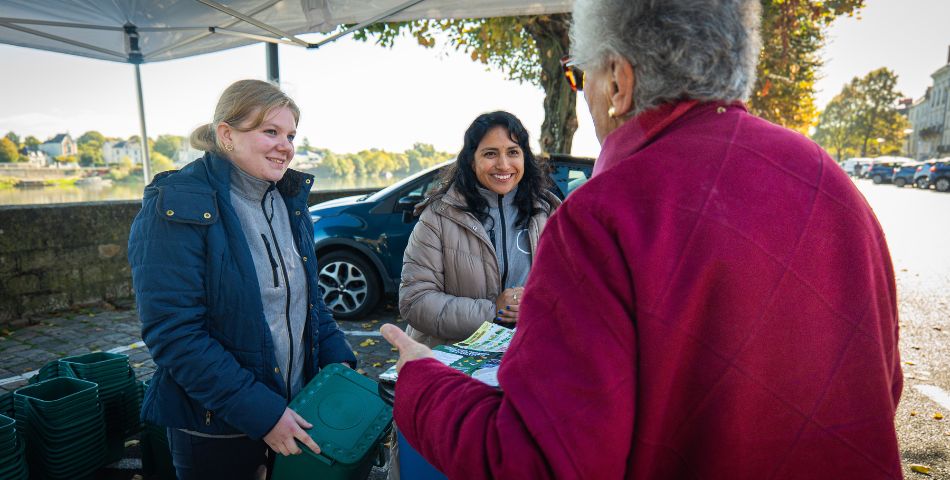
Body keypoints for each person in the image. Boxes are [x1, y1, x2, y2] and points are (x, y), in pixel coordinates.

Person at [381, 0, 903, 478]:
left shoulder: (603, 215)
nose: (583, 95)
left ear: (618, 81)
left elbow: (535, 462)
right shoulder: (830, 182)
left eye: (578, 76)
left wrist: (423, 383)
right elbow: (883, 384)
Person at [128, 79, 356, 480]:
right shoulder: (176, 204)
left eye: (290, 135)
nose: (285, 145)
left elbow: (310, 305)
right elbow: (175, 335)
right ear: (226, 135)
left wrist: (340, 371)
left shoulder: (288, 201)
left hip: (293, 410)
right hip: (216, 428)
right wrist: (263, 415)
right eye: (270, 131)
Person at [399, 111, 561, 348]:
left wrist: (538, 302)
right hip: (456, 362)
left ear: (525, 157)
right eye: (490, 154)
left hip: (530, 353)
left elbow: (571, 289)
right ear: (471, 161)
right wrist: (493, 310)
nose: (503, 164)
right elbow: (415, 301)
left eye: (513, 152)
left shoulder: (549, 212)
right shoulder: (438, 216)